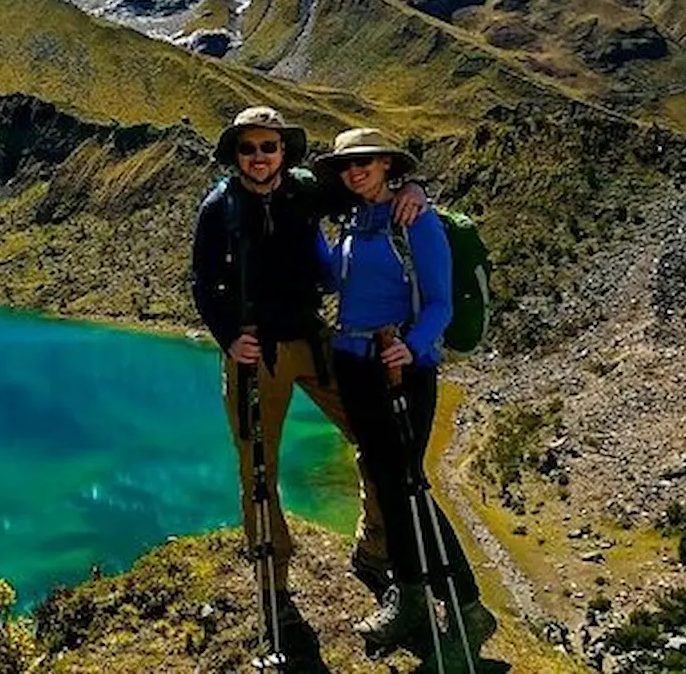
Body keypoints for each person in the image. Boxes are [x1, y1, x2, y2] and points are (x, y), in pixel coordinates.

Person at [190, 107, 426, 625]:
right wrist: (229, 338)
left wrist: (414, 188)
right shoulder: (218, 208)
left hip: (316, 340)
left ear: (283, 152)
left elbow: (369, 189)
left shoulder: (304, 190)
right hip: (258, 352)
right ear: (236, 154)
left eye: (268, 147)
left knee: (374, 437)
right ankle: (272, 578)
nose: (258, 157)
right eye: (248, 148)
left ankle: (376, 549)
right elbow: (203, 283)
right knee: (258, 467)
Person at [314, 128, 496, 663]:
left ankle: (466, 604)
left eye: (365, 162)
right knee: (387, 482)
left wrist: (412, 347)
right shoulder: (352, 223)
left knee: (409, 485)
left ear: (389, 164)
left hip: (401, 371)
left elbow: (438, 301)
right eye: (347, 165)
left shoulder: (416, 220)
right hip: (353, 364)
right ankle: (411, 595)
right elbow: (330, 279)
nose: (355, 171)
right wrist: (301, 226)